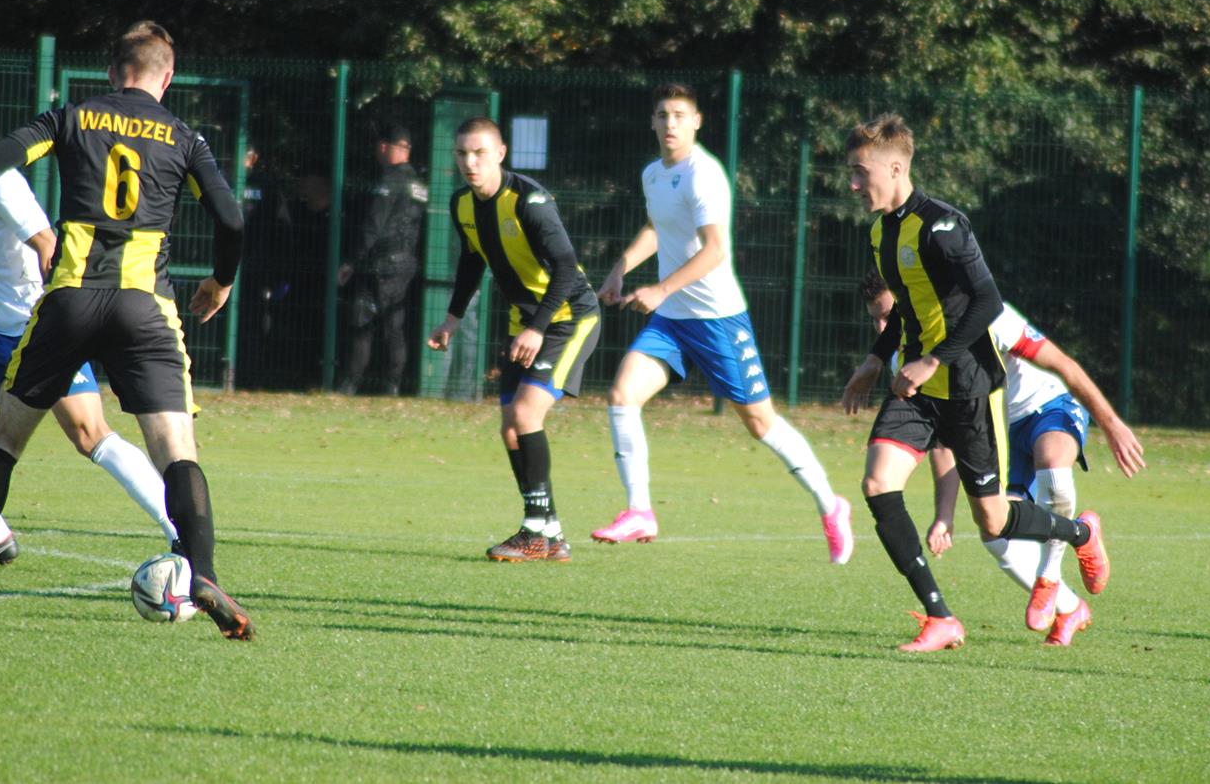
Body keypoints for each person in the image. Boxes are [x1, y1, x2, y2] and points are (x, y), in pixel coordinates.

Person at [0, 22, 254, 639]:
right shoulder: (184, 137)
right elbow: (230, 216)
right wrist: (220, 281)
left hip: (69, 300)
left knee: (5, 440)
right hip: (144, 307)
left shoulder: (71, 118)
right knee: (177, 452)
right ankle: (203, 573)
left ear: (112, 72)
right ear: (165, 78)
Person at [841, 112, 1109, 652]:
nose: (852, 183)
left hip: (967, 386)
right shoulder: (879, 232)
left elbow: (986, 299)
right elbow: (903, 312)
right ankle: (941, 618)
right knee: (877, 484)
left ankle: (1081, 533)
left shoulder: (944, 225)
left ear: (895, 167)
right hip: (916, 391)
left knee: (992, 517)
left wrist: (934, 358)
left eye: (859, 171)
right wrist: (877, 358)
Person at [0, 84, 180, 568]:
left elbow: (48, 242)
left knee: (91, 434)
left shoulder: (1, 181)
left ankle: (181, 532)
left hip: (39, 330)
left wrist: (64, 318)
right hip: (0, 334)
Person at [594, 83, 853, 563]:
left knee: (759, 423)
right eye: (662, 115)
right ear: (652, 123)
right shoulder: (653, 174)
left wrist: (660, 289)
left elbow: (715, 250)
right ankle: (640, 512)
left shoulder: (704, 174)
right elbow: (656, 227)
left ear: (696, 122)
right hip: (673, 320)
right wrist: (621, 268)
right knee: (622, 395)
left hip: (717, 320)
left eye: (679, 115)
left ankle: (831, 505)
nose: (670, 124)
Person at [861, 273, 1147, 645]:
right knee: (995, 533)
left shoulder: (986, 317)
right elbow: (942, 442)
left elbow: (1065, 365)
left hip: (1049, 406)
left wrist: (1112, 425)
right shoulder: (907, 355)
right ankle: (1069, 604)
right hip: (998, 429)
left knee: (1053, 468)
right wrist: (944, 515)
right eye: (875, 319)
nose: (883, 327)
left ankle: (1049, 574)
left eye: (888, 314)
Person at [427, 117, 600, 562]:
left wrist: (538, 327)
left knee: (526, 413)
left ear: (500, 154)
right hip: (525, 321)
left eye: (480, 153)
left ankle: (534, 531)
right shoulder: (461, 204)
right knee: (510, 428)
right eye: (462, 153)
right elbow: (471, 263)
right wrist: (451, 320)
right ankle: (551, 531)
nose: (470, 162)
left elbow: (565, 267)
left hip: (568, 318)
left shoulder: (531, 201)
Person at [340, 123, 427, 396]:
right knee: (394, 326)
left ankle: (349, 384)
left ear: (386, 147)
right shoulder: (419, 184)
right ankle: (393, 386)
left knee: (362, 321)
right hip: (406, 264)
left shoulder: (389, 182)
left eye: (382, 146)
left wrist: (351, 262)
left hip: (381, 264)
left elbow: (373, 226)